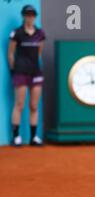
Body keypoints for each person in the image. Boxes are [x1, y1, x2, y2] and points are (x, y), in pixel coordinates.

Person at [8, 4, 46, 147]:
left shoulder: (40, 33)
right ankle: (16, 137)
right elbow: (11, 54)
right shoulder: (16, 33)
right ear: (23, 16)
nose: (30, 17)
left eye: (32, 15)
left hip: (35, 72)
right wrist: (13, 70)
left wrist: (34, 66)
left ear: (35, 16)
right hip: (20, 72)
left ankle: (33, 138)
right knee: (19, 104)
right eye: (27, 15)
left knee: (34, 105)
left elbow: (39, 53)